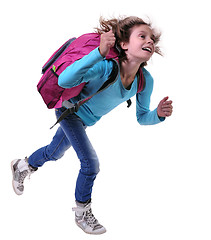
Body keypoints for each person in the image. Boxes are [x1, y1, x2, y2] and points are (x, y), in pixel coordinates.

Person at [11, 16, 173, 235]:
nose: (150, 41)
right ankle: (82, 213)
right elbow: (64, 81)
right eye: (142, 36)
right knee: (90, 164)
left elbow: (143, 117)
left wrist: (158, 115)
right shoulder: (106, 67)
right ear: (124, 44)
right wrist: (97, 52)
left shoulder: (144, 80)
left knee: (55, 152)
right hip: (70, 112)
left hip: (86, 121)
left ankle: (22, 166)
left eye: (152, 38)